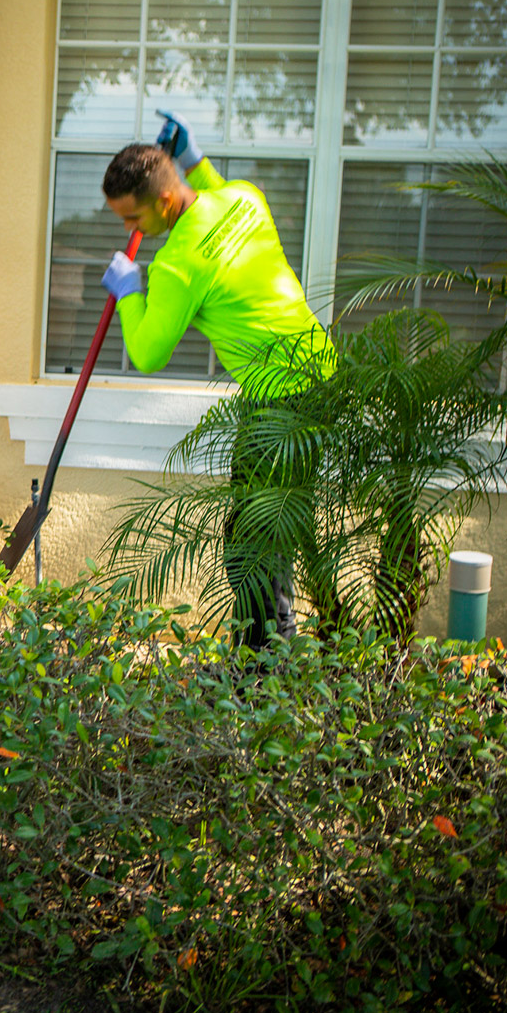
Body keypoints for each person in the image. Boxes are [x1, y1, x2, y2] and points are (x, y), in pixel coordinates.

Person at [100, 111, 335, 649]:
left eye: (132, 220)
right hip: (321, 377)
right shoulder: (244, 198)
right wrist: (193, 158)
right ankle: (271, 661)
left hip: (278, 402)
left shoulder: (180, 266)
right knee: (269, 533)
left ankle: (262, 677)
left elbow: (148, 352)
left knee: (253, 545)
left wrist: (130, 289)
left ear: (162, 203)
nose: (130, 232)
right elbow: (211, 190)